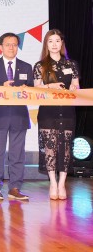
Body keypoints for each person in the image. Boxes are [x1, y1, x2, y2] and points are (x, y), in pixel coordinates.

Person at [0, 32, 34, 201]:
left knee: (17, 154)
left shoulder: (26, 67)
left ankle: (15, 187)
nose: (11, 47)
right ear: (1, 47)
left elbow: (33, 92)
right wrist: (0, 87)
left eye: (14, 44)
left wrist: (27, 89)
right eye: (8, 44)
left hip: (19, 116)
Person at [33, 29, 80, 200]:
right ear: (46, 44)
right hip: (48, 111)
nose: (54, 44)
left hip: (67, 110)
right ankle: (53, 183)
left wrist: (75, 88)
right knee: (50, 148)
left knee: (66, 147)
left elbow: (77, 87)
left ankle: (62, 184)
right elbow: (35, 88)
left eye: (57, 41)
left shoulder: (71, 65)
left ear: (62, 43)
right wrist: (49, 87)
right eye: (50, 41)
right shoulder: (40, 66)